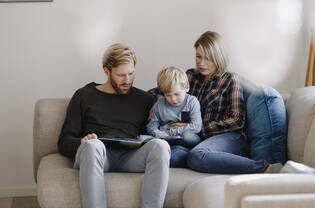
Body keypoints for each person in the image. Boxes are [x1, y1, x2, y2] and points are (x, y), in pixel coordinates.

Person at [57, 43, 170, 208]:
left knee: (161, 146)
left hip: (130, 156)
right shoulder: (84, 95)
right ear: (106, 71)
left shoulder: (145, 99)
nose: (127, 80)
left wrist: (164, 105)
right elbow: (63, 141)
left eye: (131, 74)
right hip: (98, 156)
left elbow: (174, 100)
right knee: (93, 146)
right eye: (121, 75)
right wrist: (83, 141)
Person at [185, 31, 282, 174]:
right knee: (173, 155)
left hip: (230, 137)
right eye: (198, 56)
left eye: (208, 58)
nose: (201, 63)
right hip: (198, 140)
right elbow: (166, 88)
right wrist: (158, 99)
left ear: (219, 58)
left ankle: (267, 168)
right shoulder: (191, 76)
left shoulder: (231, 79)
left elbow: (237, 120)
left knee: (197, 156)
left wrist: (198, 128)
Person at [147, 66, 202, 167]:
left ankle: (183, 151)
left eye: (177, 94)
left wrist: (169, 132)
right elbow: (152, 124)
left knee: (187, 136)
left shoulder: (192, 102)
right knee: (155, 144)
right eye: (168, 95)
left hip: (187, 138)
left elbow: (197, 126)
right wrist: (158, 133)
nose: (173, 99)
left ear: (186, 88)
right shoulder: (160, 104)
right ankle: (179, 153)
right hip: (167, 139)